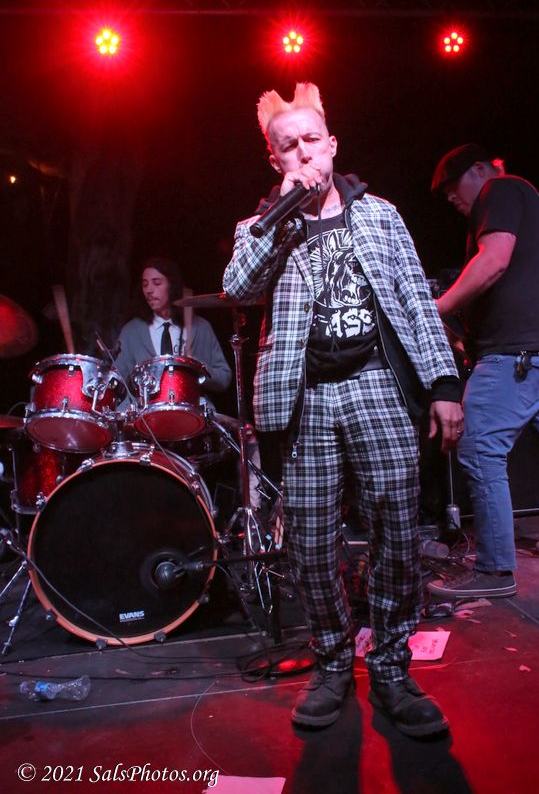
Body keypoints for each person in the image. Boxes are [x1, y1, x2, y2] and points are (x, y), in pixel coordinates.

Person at [222, 83, 463, 736]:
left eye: (310, 140)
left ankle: (390, 665)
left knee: (397, 527)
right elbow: (237, 286)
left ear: (331, 144)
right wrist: (282, 218)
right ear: (275, 159)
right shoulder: (261, 226)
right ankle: (332, 662)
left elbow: (414, 298)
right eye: (288, 146)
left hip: (376, 382)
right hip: (305, 397)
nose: (302, 152)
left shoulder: (379, 215)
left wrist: (444, 383)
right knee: (309, 541)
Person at [428, 144, 539, 602]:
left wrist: (437, 307)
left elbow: (495, 260)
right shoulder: (526, 197)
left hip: (520, 353)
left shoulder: (500, 190)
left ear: (480, 169)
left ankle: (495, 569)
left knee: (479, 444)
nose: (450, 197)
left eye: (453, 186)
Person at [115, 256, 232, 411]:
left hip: (193, 412)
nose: (149, 290)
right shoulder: (132, 331)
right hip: (146, 416)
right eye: (145, 284)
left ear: (171, 285)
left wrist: (198, 367)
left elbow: (224, 379)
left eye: (157, 283)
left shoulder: (200, 328)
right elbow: (117, 382)